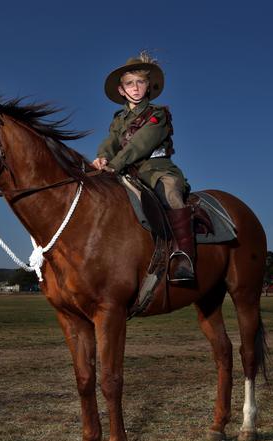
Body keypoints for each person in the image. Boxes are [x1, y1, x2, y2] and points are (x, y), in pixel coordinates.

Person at [92, 52, 194, 281]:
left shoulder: (158, 114)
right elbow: (111, 142)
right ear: (121, 90)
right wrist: (102, 158)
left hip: (158, 170)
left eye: (140, 82)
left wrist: (114, 164)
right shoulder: (119, 119)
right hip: (126, 171)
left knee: (171, 194)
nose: (135, 88)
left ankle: (184, 257)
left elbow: (140, 144)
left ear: (148, 87)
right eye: (130, 83)